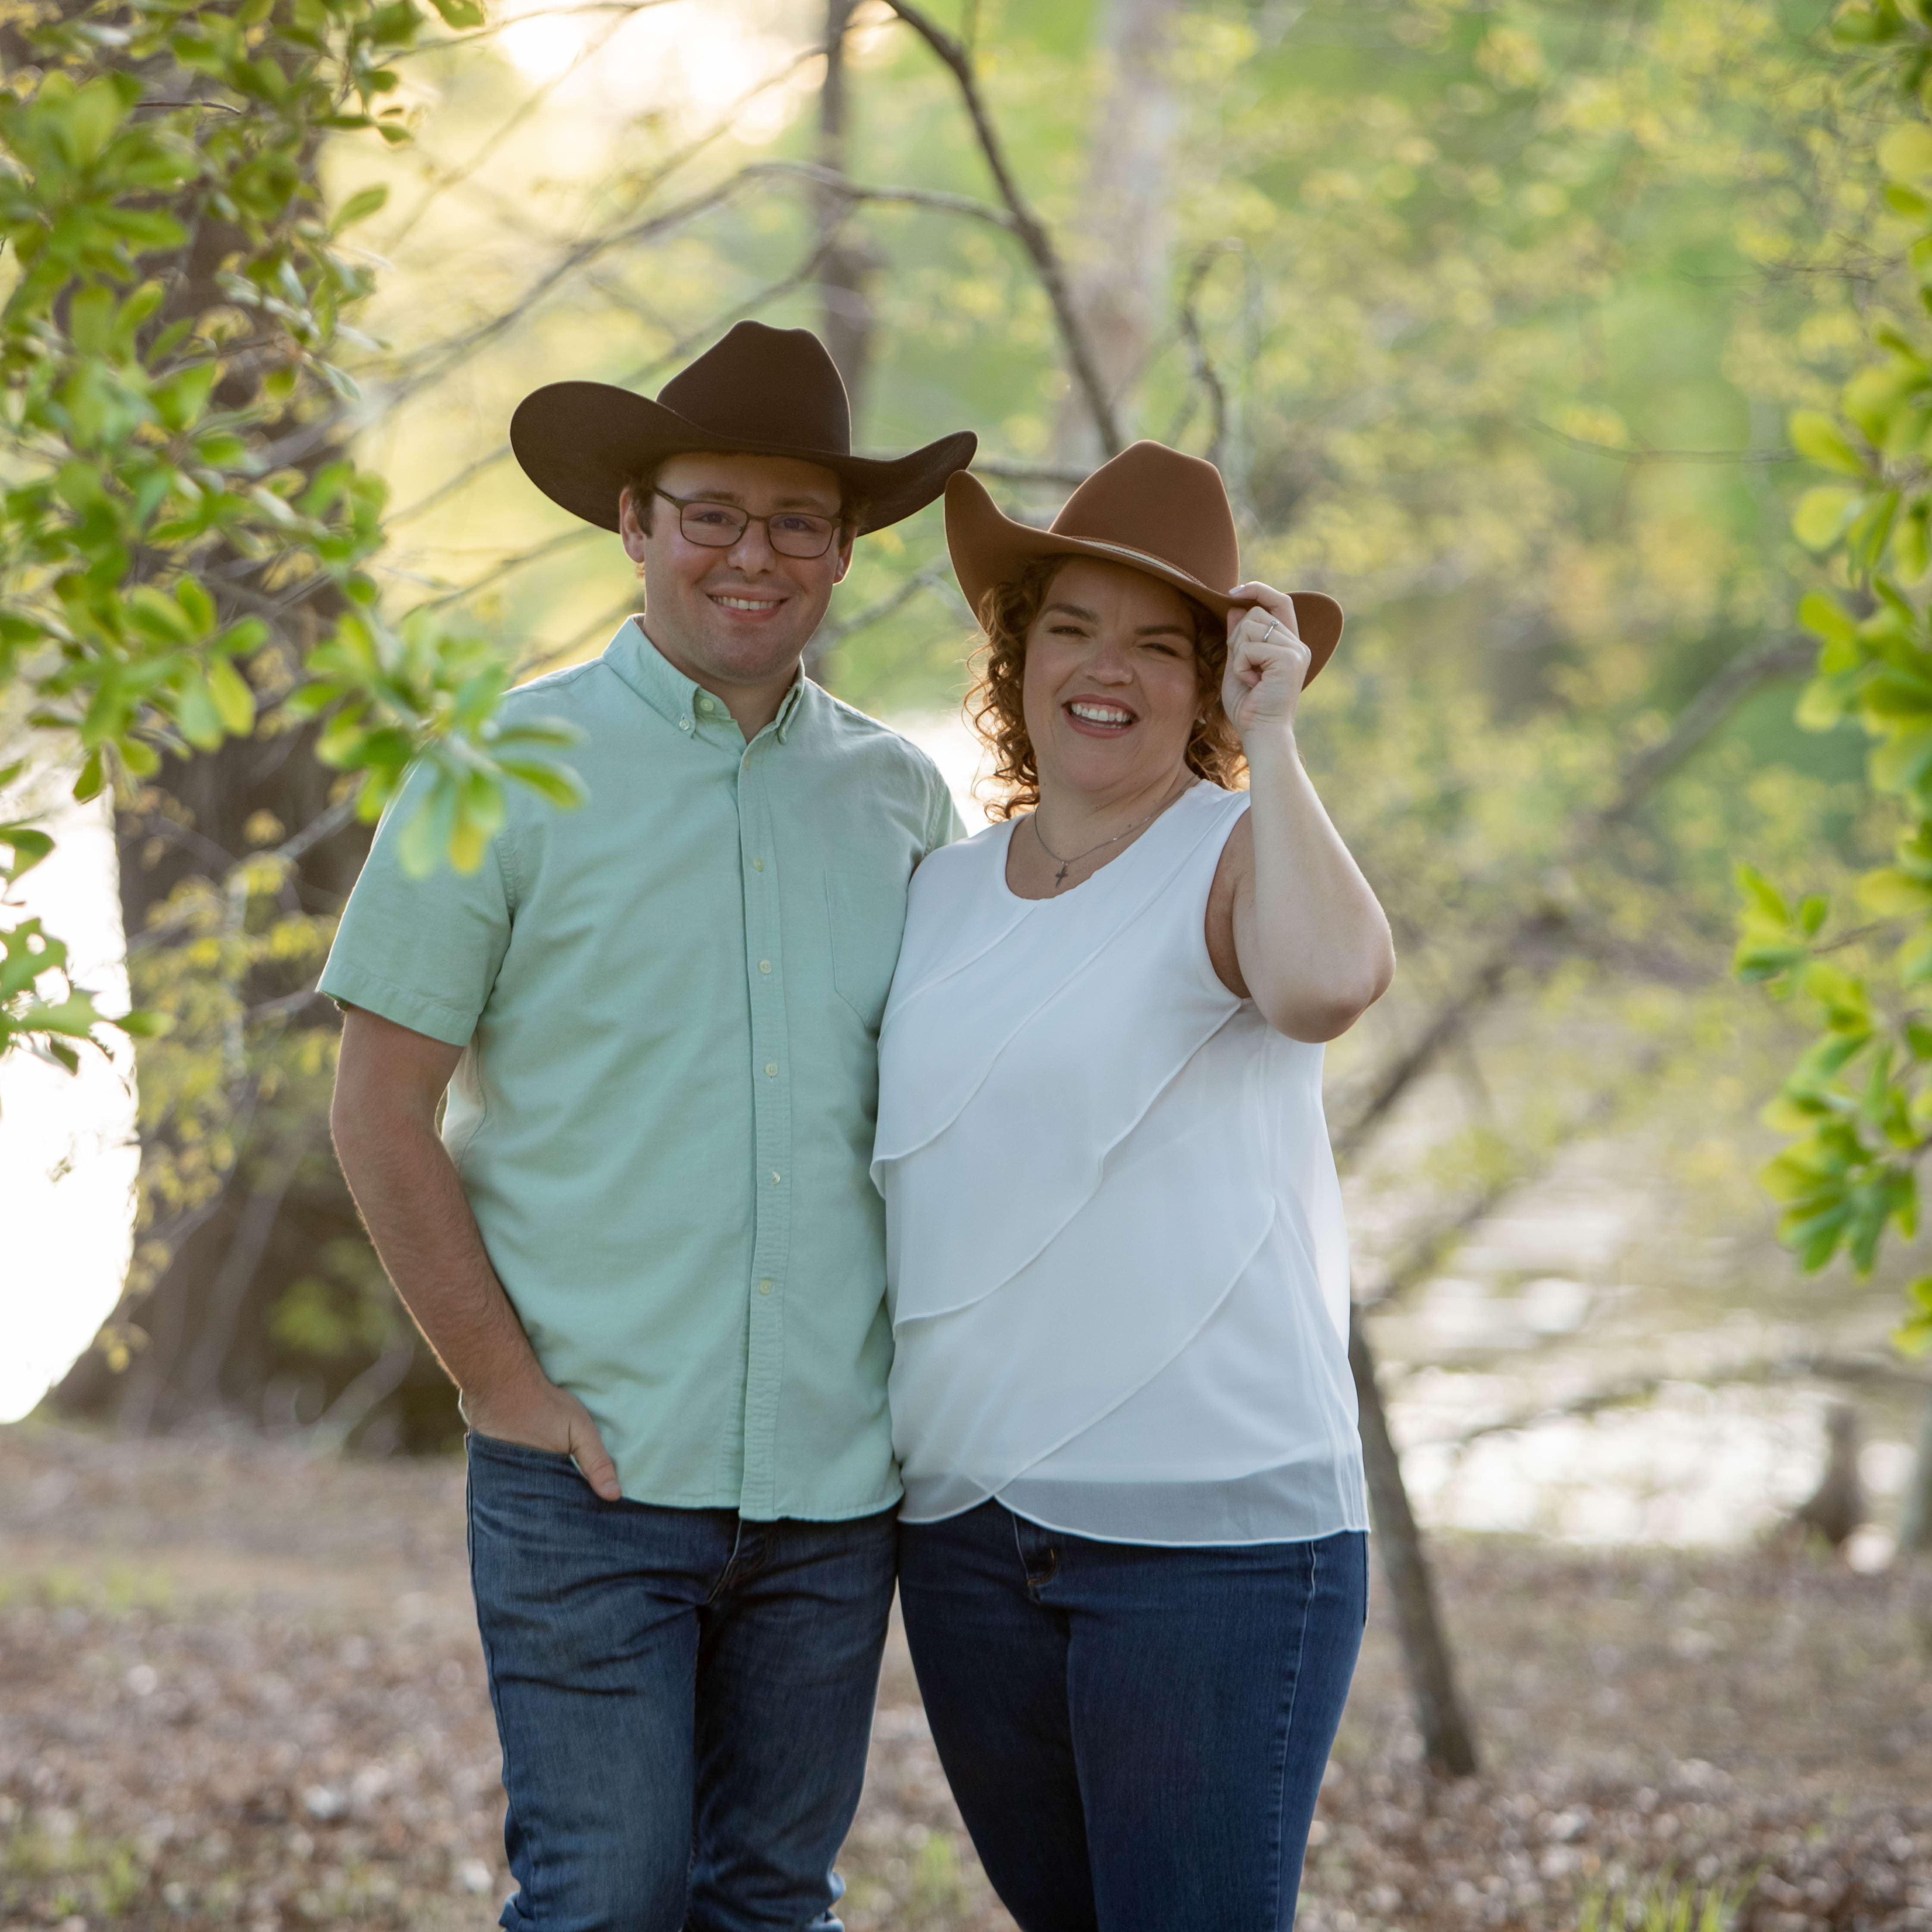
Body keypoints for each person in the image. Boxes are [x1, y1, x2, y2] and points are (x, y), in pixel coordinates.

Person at [321, 321, 975, 1932]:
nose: (754, 557)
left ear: (842, 552)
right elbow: (380, 1109)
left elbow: (954, 1127)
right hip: (587, 1474)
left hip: (833, 1487)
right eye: (712, 515)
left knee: (770, 1903)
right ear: (635, 524)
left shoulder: (903, 800)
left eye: (798, 524)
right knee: (603, 1902)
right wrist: (505, 1387)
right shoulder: (496, 769)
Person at [875, 440, 1394, 1931]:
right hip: (966, 1534)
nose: (1108, 672)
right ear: (1017, 656)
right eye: (1073, 629)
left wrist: (1280, 745)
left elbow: (1327, 984)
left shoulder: (1237, 855)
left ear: (1216, 682)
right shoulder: (941, 892)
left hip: (1212, 1550)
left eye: (1162, 646)